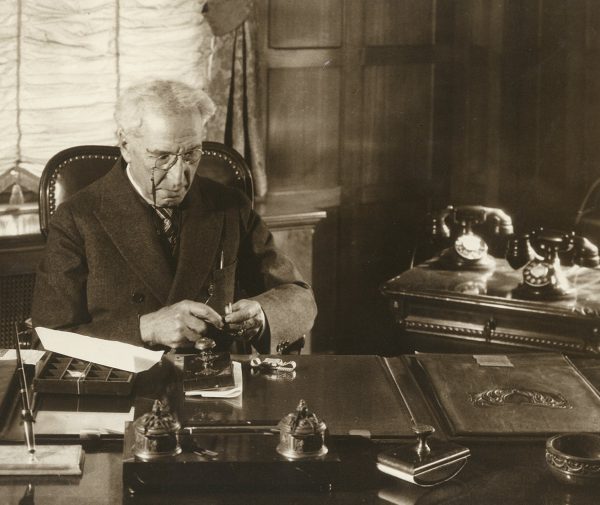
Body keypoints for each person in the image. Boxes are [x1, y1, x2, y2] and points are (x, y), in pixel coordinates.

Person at [32, 80, 317, 353]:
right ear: (125, 145)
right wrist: (145, 329)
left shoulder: (230, 206)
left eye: (191, 154)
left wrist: (262, 314)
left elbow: (299, 296)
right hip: (127, 379)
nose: (179, 178)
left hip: (215, 375)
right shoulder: (77, 218)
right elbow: (48, 340)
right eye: (162, 157)